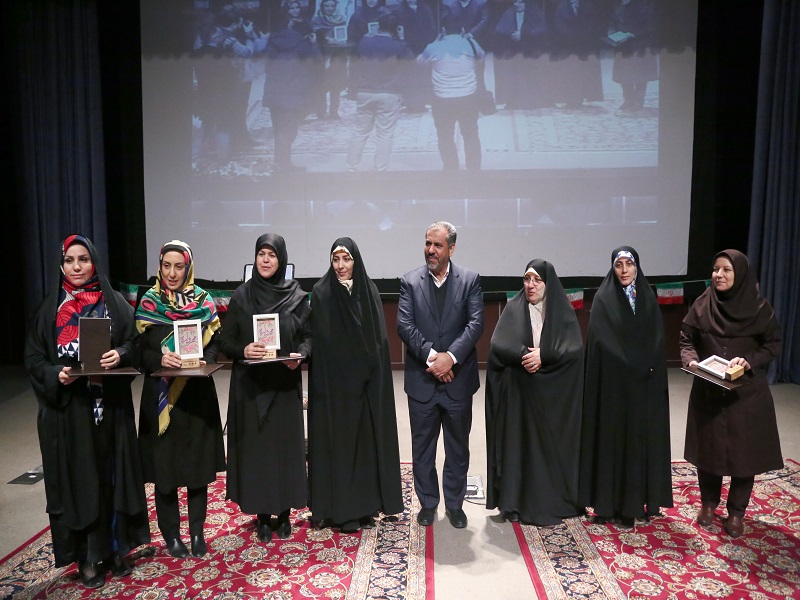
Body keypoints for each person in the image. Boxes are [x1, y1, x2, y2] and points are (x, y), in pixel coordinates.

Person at [24, 234, 149, 589]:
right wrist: (56, 374)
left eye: (83, 259)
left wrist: (120, 354)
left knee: (113, 478)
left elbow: (135, 343)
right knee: (81, 483)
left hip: (110, 409)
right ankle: (87, 557)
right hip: (71, 414)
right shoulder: (49, 310)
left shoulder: (114, 303)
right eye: (70, 260)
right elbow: (33, 359)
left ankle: (116, 549)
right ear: (61, 265)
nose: (77, 267)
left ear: (94, 262)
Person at [681, 249, 783, 538]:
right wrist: (690, 360)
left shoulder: (759, 307)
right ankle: (708, 504)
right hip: (709, 391)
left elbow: (773, 344)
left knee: (744, 454)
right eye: (716, 269)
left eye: (726, 270)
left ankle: (736, 512)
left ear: (740, 274)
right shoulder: (702, 304)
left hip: (746, 394)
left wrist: (749, 360)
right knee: (708, 449)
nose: (719, 275)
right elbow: (687, 339)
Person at [135, 240, 225, 559]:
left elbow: (215, 344)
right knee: (165, 470)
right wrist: (159, 360)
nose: (172, 273)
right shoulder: (148, 302)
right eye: (167, 266)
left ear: (188, 268)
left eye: (179, 266)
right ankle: (171, 535)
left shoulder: (204, 301)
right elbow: (138, 350)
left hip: (197, 395)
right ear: (159, 266)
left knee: (197, 468)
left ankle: (197, 532)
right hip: (160, 397)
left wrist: (203, 361)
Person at [308, 238, 403, 532]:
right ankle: (337, 510)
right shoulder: (322, 292)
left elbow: (379, 340)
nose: (341, 266)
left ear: (355, 261)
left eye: (346, 259)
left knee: (364, 447)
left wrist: (369, 371)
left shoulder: (368, 290)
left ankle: (364, 507)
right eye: (335, 260)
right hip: (335, 389)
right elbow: (321, 341)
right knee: (337, 447)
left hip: (365, 386)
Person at [221, 233, 311, 542]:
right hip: (252, 387)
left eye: (272, 255)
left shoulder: (296, 295)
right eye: (261, 253)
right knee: (258, 453)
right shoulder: (241, 296)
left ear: (281, 259)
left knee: (283, 450)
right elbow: (226, 341)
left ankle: (284, 514)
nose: (266, 260)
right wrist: (244, 349)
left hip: (284, 385)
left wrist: (300, 356)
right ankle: (261, 516)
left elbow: (308, 337)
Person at [397, 221, 484, 529]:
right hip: (423, 380)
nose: (430, 250)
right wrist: (436, 359)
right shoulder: (409, 282)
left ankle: (455, 505)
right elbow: (405, 326)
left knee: (458, 448)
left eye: (437, 245)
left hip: (458, 380)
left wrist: (451, 359)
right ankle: (428, 503)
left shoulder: (470, 280)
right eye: (427, 243)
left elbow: (475, 324)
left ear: (451, 249)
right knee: (423, 448)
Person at [485, 259, 584, 525]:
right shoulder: (514, 308)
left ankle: (554, 499)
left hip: (553, 397)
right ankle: (517, 502)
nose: (530, 285)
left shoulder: (561, 311)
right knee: (521, 449)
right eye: (527, 279)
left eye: (537, 280)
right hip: (521, 394)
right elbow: (498, 344)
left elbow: (574, 349)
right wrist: (525, 355)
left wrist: (545, 355)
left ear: (548, 284)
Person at [578, 247, 673, 527]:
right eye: (618, 265)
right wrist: (629, 363)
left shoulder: (647, 296)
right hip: (614, 387)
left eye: (628, 264)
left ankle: (637, 502)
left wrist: (645, 363)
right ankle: (610, 504)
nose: (624, 270)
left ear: (636, 267)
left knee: (638, 442)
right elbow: (601, 340)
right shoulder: (603, 298)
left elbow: (655, 337)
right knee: (614, 443)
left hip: (643, 385)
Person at [346, 12, 414, 171]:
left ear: (378, 26)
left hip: (364, 91)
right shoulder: (398, 45)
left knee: (360, 131)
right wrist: (401, 39)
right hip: (389, 93)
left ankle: (351, 167)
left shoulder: (364, 41)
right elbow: (411, 61)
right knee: (385, 134)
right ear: (396, 28)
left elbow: (354, 61)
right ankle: (381, 169)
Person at [417, 23, 485, 171]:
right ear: (462, 29)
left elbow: (420, 63)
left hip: (442, 99)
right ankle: (474, 170)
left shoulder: (433, 47)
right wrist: (470, 39)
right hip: (468, 97)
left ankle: (450, 169)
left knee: (445, 136)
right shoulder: (469, 43)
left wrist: (435, 42)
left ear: (443, 30)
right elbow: (481, 56)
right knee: (471, 134)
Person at [263, 1, 321, 171]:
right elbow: (317, 61)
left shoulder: (272, 40)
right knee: (289, 129)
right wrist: (314, 43)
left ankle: (279, 161)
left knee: (278, 128)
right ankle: (285, 164)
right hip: (293, 93)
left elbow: (267, 64)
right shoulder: (303, 44)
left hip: (274, 92)